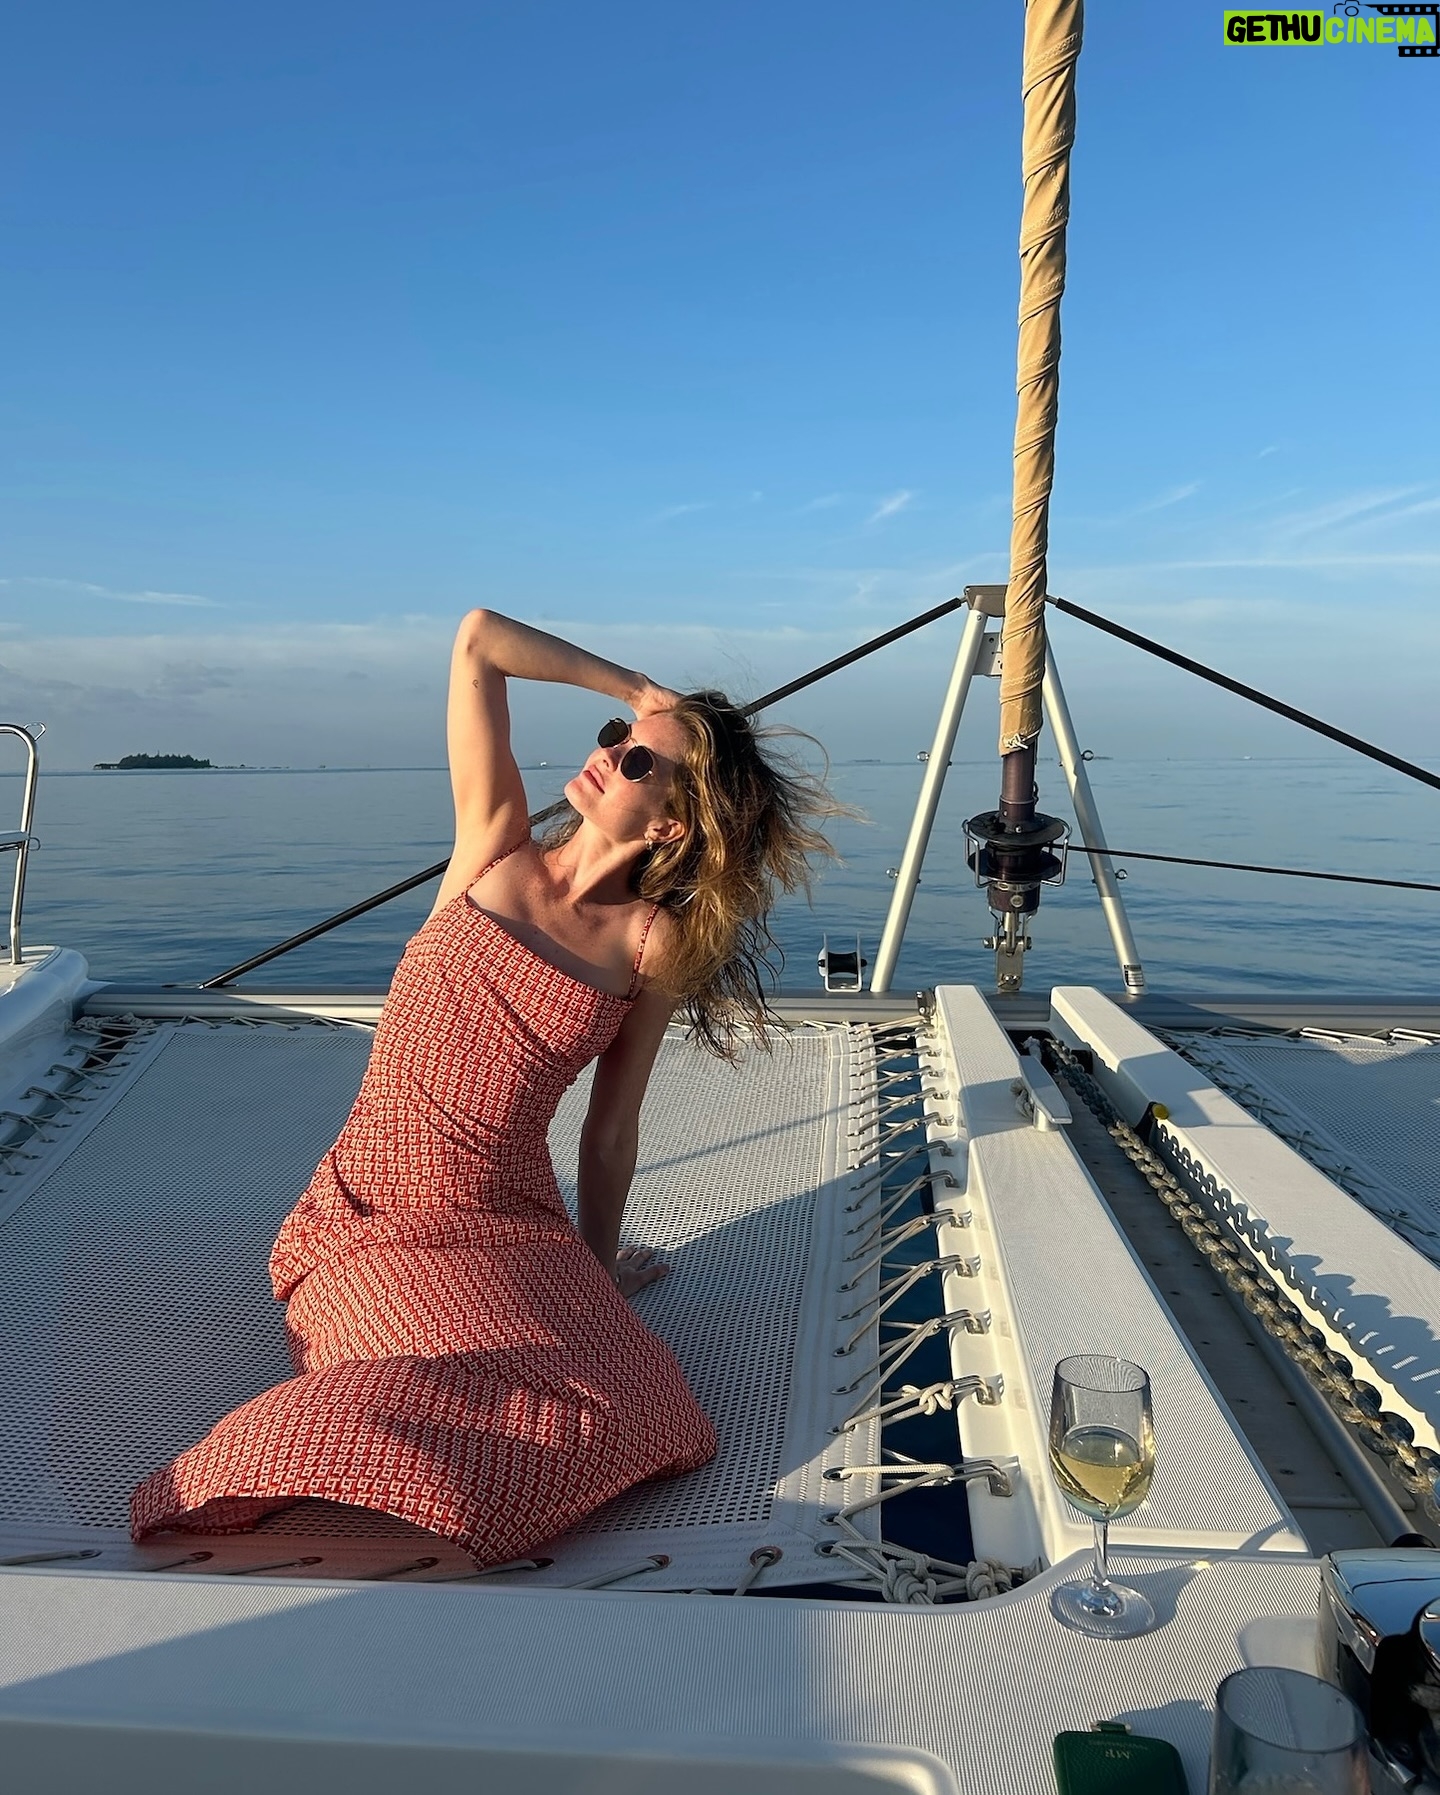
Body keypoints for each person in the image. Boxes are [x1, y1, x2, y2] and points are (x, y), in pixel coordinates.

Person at [131, 609, 840, 1567]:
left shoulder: (649, 943)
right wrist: (639, 691)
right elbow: (478, 641)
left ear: (670, 822)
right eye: (615, 738)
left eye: (638, 759)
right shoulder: (495, 846)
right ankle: (256, 1471)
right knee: (420, 1366)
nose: (610, 754)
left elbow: (611, 1129)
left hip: (507, 1217)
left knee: (640, 1401)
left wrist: (596, 1270)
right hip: (368, 1214)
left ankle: (467, 1450)